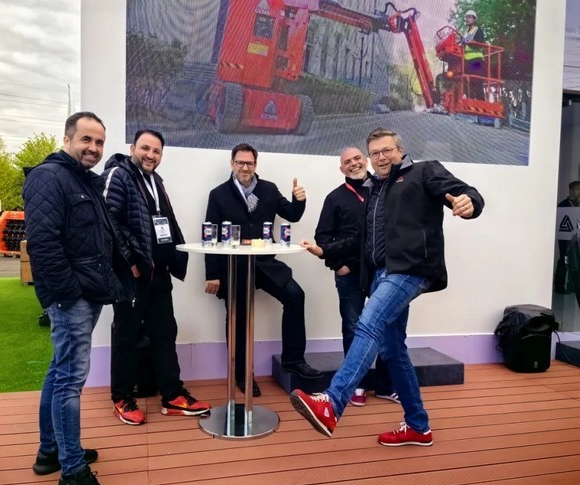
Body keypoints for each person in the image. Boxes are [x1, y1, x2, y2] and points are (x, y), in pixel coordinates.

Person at [291, 128, 484, 446]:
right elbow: (360, 240)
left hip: (411, 269)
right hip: (381, 275)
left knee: (368, 322)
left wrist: (470, 202)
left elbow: (466, 192)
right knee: (393, 351)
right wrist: (326, 252)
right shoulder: (374, 190)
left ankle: (332, 402)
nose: (381, 157)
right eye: (375, 153)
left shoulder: (424, 172)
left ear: (400, 151)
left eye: (387, 151)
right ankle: (418, 426)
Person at [23, 111, 129, 485]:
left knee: (60, 371)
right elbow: (43, 245)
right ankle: (72, 471)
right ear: (67, 139)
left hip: (87, 292)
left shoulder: (82, 179)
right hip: (72, 297)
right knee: (70, 379)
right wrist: (68, 295)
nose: (93, 148)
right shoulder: (49, 177)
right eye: (86, 139)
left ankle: (51, 452)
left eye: (99, 142)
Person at [102, 129, 210, 425]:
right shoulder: (118, 175)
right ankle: (122, 398)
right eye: (145, 148)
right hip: (133, 276)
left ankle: (172, 396)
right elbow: (107, 221)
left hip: (158, 273)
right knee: (126, 336)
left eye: (156, 151)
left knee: (164, 334)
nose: (150, 155)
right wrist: (130, 262)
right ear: (132, 148)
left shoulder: (155, 180)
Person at [204, 143, 322, 397]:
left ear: (255, 165)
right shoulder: (218, 194)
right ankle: (242, 374)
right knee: (238, 317)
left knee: (295, 296)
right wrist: (212, 274)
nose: (245, 167)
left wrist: (299, 200)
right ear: (232, 164)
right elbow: (210, 234)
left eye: (250, 163)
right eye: (240, 162)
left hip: (265, 264)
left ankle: (293, 360)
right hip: (234, 266)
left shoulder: (269, 189)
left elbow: (292, 215)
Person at [314, 146, 398, 407]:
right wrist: (337, 265)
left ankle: (385, 385)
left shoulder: (384, 190)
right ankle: (356, 386)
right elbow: (322, 237)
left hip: (381, 272)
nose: (353, 164)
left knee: (387, 324)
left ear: (366, 160)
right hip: (349, 275)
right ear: (342, 169)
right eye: (347, 161)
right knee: (352, 325)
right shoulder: (334, 198)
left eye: (357, 158)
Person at [554, 181, 580, 293]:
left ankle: (572, 285)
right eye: (577, 189)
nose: (579, 192)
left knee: (576, 261)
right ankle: (559, 285)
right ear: (571, 190)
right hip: (565, 237)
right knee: (564, 260)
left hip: (577, 237)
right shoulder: (563, 205)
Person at [460, 10, 486, 100]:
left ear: (474, 19)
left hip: (476, 60)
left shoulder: (478, 30)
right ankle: (471, 101)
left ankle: (481, 102)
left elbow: (481, 44)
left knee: (477, 82)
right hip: (467, 61)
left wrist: (471, 42)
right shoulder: (467, 33)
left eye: (470, 17)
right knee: (468, 83)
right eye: (467, 17)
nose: (467, 19)